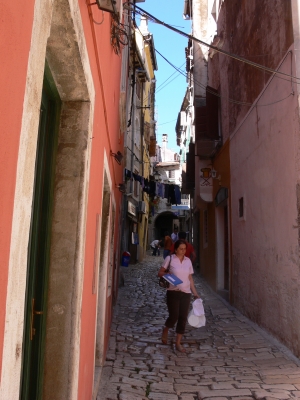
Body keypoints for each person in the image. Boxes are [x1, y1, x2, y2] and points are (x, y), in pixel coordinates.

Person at [157, 239, 200, 352]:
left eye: (185, 249)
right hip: (173, 292)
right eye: (181, 249)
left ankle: (178, 342)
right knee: (174, 316)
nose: (183, 251)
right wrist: (167, 273)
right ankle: (166, 329)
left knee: (183, 318)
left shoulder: (188, 261)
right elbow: (160, 273)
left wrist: (195, 293)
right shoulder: (170, 259)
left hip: (186, 293)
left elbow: (190, 278)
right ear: (175, 249)